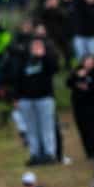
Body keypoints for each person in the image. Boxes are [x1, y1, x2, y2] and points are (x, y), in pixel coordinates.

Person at [13, 35, 60, 166]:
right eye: (34, 46)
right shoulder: (24, 60)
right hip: (26, 100)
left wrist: (43, 56)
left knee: (47, 127)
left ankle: (50, 154)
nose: (36, 48)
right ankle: (35, 154)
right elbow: (17, 79)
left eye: (39, 46)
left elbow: (54, 69)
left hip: (44, 98)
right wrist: (16, 97)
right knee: (31, 129)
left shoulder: (47, 60)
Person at [68, 53, 94, 159]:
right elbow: (69, 83)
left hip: (92, 105)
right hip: (78, 105)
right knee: (82, 128)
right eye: (86, 61)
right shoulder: (77, 71)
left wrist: (87, 88)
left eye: (91, 61)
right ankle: (88, 151)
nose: (88, 63)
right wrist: (77, 76)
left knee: (91, 128)